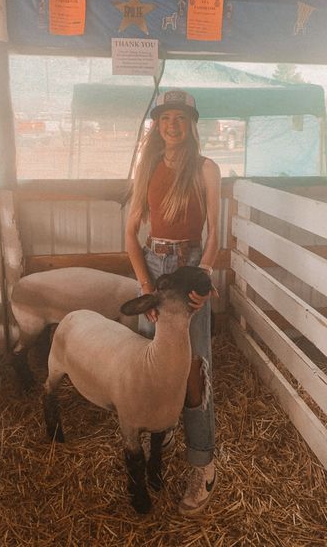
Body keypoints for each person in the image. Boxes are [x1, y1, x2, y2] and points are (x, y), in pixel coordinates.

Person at [125, 88, 221, 516]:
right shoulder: (145, 169)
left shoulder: (206, 169)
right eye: (166, 117)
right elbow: (130, 233)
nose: (173, 124)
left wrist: (203, 282)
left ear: (191, 124)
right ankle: (148, 453)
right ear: (158, 125)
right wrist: (145, 284)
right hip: (155, 265)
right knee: (152, 362)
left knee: (193, 369)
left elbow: (215, 235)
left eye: (180, 117)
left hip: (189, 268)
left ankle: (202, 465)